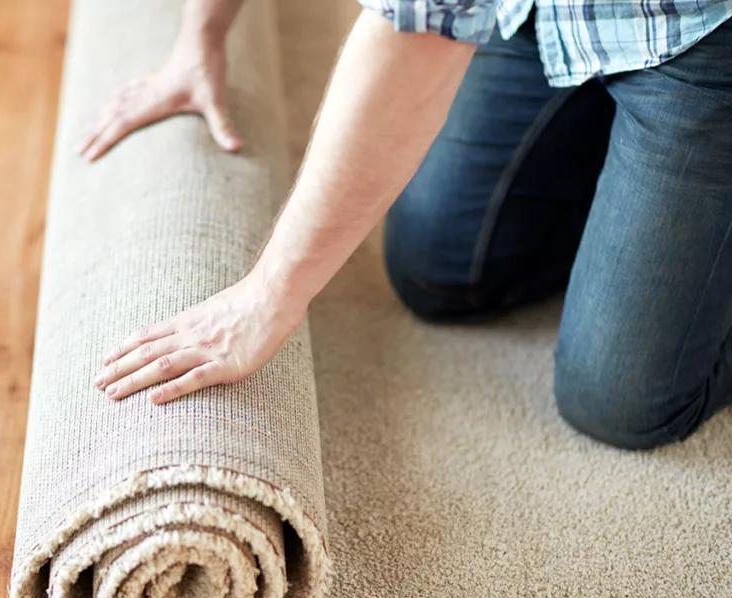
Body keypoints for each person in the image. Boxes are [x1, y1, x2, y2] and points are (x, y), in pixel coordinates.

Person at [86, 0, 732, 451]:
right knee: (442, 271)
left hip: (710, 30)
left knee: (620, 400)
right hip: (556, 11)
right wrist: (199, 36)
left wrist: (266, 297)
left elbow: (418, 30)